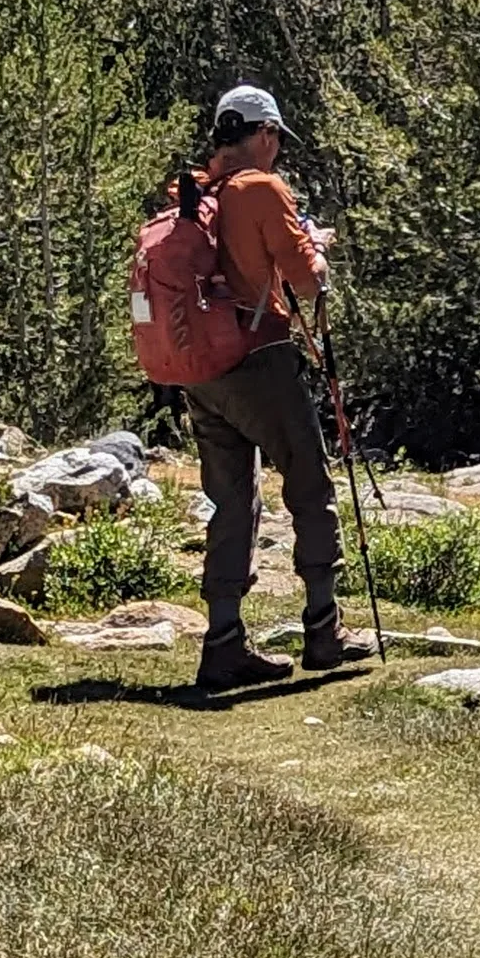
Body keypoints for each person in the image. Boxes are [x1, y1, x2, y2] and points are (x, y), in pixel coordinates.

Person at [185, 84, 377, 691]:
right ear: (264, 134)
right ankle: (324, 629)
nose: (277, 152)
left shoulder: (200, 191)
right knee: (310, 484)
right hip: (259, 358)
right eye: (276, 140)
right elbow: (308, 284)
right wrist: (315, 247)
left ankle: (223, 644)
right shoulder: (261, 189)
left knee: (230, 500)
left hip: (203, 370)